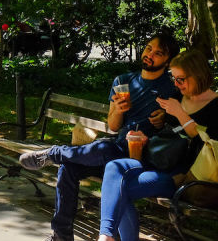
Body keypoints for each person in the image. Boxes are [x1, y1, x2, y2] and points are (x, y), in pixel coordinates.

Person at [19, 32, 181, 241]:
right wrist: (119, 110)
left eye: (158, 53)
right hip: (119, 148)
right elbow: (113, 126)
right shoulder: (123, 81)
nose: (150, 54)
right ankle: (61, 235)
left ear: (167, 60)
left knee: (102, 149)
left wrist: (164, 119)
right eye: (149, 48)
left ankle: (55, 153)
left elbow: (178, 125)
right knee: (69, 168)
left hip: (143, 159)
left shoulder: (172, 88)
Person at [97, 50, 218, 241]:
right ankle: (105, 236)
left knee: (120, 190)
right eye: (174, 78)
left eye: (181, 79)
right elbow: (168, 135)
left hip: (184, 177)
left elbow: (209, 144)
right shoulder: (177, 98)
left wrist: (180, 114)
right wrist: (145, 136)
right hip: (156, 161)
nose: (176, 85)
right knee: (114, 167)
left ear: (198, 75)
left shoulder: (214, 106)